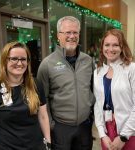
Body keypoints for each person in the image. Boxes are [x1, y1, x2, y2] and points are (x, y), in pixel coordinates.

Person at [37, 16, 95, 150]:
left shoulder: (88, 61)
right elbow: (42, 99)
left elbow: (93, 90)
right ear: (58, 35)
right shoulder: (47, 64)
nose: (72, 36)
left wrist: (90, 116)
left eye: (75, 32)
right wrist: (51, 125)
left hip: (84, 126)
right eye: (67, 32)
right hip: (60, 128)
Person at [0, 41, 51, 150]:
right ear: (5, 61)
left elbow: (43, 116)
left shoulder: (36, 84)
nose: (19, 63)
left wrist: (48, 143)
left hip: (36, 146)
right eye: (14, 58)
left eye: (23, 59)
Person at [94, 29, 135, 150]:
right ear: (102, 47)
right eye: (107, 45)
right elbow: (97, 104)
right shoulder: (98, 71)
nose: (110, 49)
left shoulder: (131, 69)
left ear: (122, 47)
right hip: (107, 131)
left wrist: (123, 136)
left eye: (115, 45)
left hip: (129, 130)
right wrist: (102, 134)